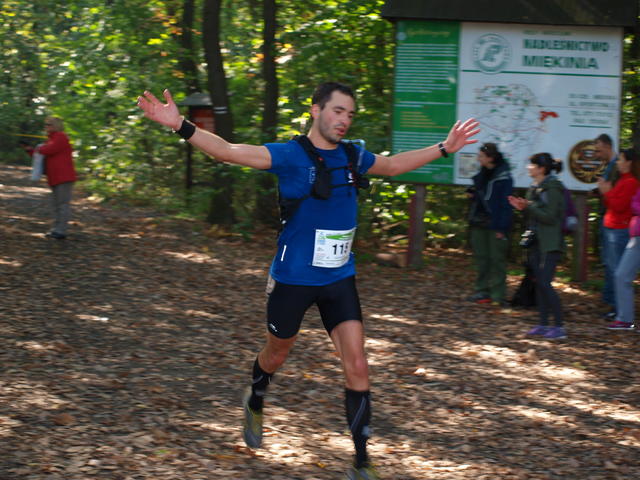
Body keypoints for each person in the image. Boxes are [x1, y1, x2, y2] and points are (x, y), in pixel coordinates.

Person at [137, 82, 479, 479]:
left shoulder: (353, 156)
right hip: (293, 279)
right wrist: (179, 124)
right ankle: (256, 396)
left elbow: (392, 165)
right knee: (276, 354)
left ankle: (361, 463)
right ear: (316, 110)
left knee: (358, 364)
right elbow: (228, 151)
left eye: (349, 114)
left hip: (339, 278)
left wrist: (444, 148)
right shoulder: (291, 155)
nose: (344, 120)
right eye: (337, 111)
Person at [508, 153, 566, 340]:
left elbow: (550, 217)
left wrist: (529, 207)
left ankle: (559, 327)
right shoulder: (535, 187)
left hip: (549, 243)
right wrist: (523, 207)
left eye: (532, 165)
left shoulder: (552, 188)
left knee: (545, 284)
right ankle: (543, 324)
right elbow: (535, 213)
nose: (528, 167)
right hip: (536, 241)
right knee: (539, 283)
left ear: (542, 169)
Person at [465, 143, 513, 305]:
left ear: (490, 158)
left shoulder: (503, 177)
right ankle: (482, 291)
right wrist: (472, 194)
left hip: (495, 223)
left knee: (497, 260)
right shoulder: (482, 174)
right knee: (482, 259)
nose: (478, 159)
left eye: (481, 156)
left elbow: (505, 204)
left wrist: (502, 228)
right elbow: (481, 196)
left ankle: (498, 295)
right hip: (479, 221)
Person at [598, 148, 640, 329]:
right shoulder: (624, 180)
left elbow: (621, 206)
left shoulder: (631, 182)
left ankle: (621, 313)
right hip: (628, 232)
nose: (617, 162)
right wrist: (608, 193)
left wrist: (607, 192)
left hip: (621, 231)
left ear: (629, 162)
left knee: (619, 273)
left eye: (620, 159)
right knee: (618, 273)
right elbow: (614, 204)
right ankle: (623, 317)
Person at [36, 116, 77, 239]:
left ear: (56, 126)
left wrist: (39, 149)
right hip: (55, 177)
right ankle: (56, 228)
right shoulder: (52, 139)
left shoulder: (60, 137)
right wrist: (30, 150)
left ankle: (61, 230)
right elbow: (43, 153)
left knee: (62, 204)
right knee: (56, 204)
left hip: (63, 177)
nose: (46, 127)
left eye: (49, 124)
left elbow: (50, 150)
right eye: (46, 124)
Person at [594, 134, 619, 318]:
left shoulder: (616, 166)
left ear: (607, 146)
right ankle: (611, 303)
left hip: (614, 221)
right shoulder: (610, 166)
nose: (597, 154)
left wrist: (604, 192)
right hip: (608, 218)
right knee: (609, 263)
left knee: (613, 264)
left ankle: (615, 306)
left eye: (598, 149)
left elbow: (615, 193)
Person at [611, 172, 640, 330]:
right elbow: (633, 204)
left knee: (622, 275)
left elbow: (634, 205)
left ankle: (625, 319)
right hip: (636, 237)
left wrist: (635, 205)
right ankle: (625, 319)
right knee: (621, 275)